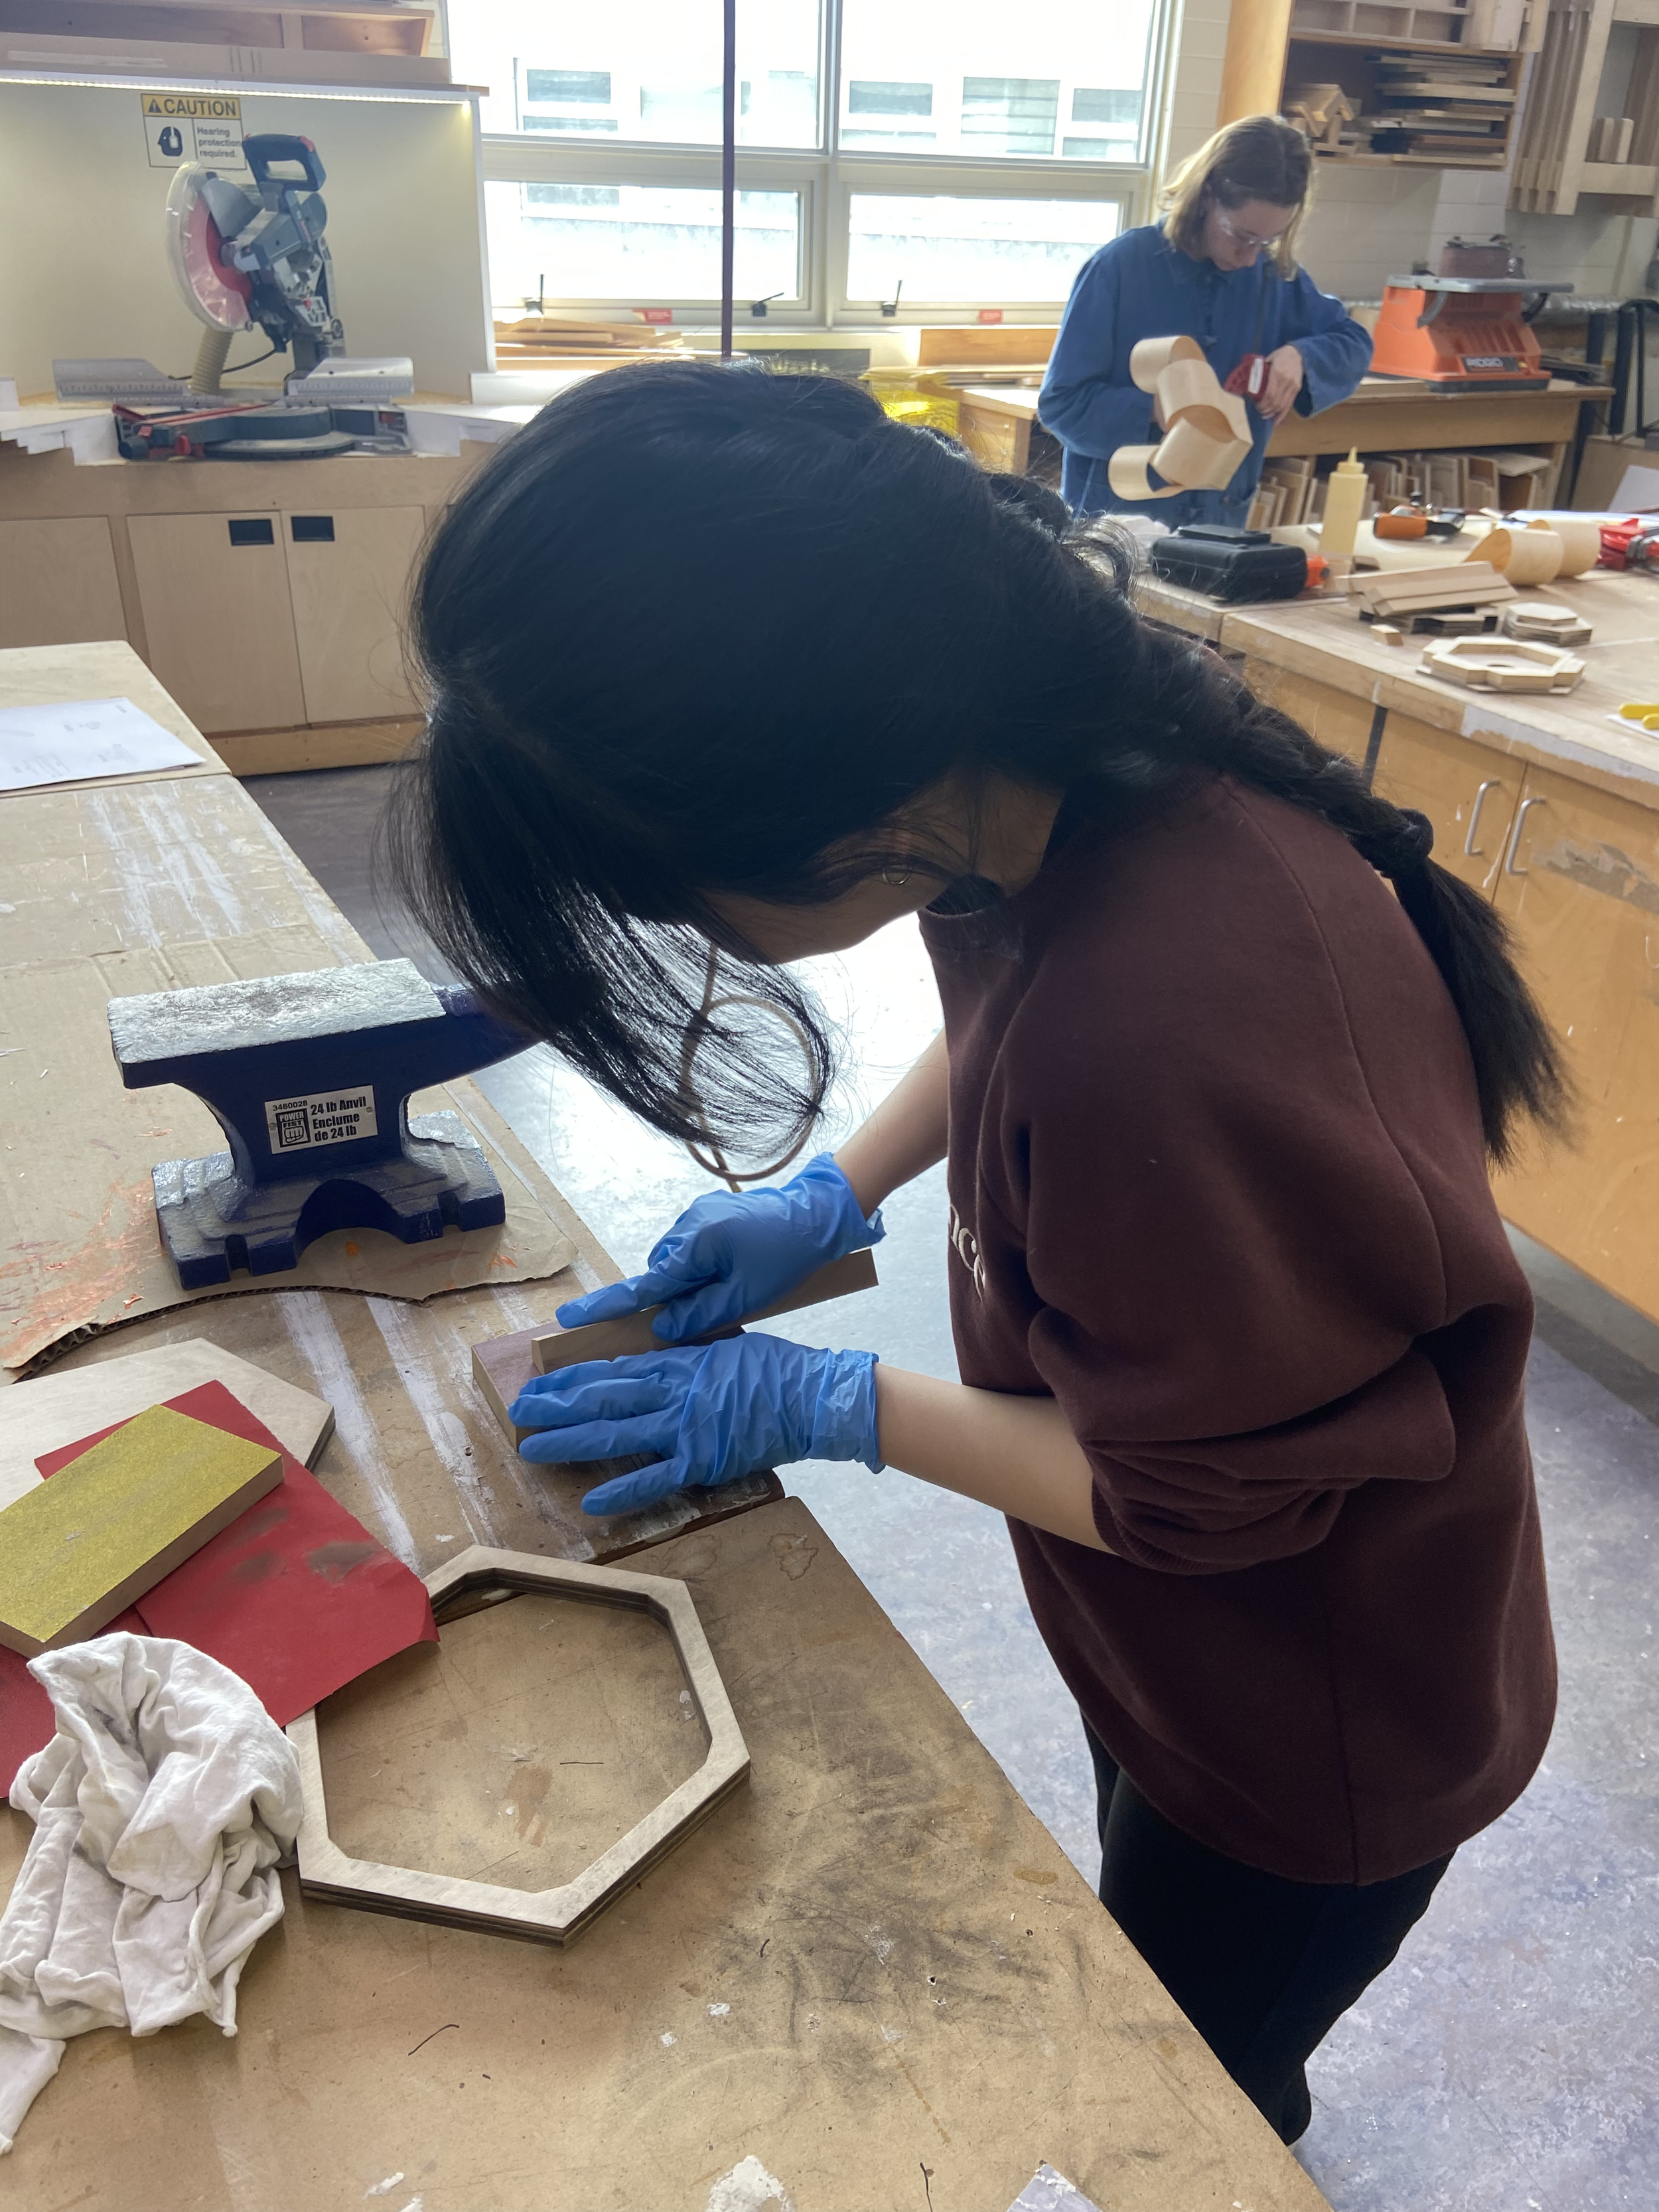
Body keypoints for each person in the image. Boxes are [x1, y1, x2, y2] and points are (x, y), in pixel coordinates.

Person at [387, 360, 1563, 2145]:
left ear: (849, 809)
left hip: (1311, 1724)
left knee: (1176, 2092)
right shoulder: (1044, 785)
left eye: (686, 897)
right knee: (1160, 1937)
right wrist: (837, 1187)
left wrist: (823, 1398)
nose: (697, 935)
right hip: (1192, 1650)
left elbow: (1192, 1501)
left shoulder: (1165, 1018)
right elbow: (1019, 983)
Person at [1039, 115, 1372, 523]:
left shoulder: (1272, 277)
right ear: (1207, 196)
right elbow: (1061, 406)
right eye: (1242, 236)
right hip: (1119, 525)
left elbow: (1354, 342)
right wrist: (1152, 408)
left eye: (1268, 241)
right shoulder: (1120, 268)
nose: (1251, 256)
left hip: (1219, 523)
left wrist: (1302, 358)